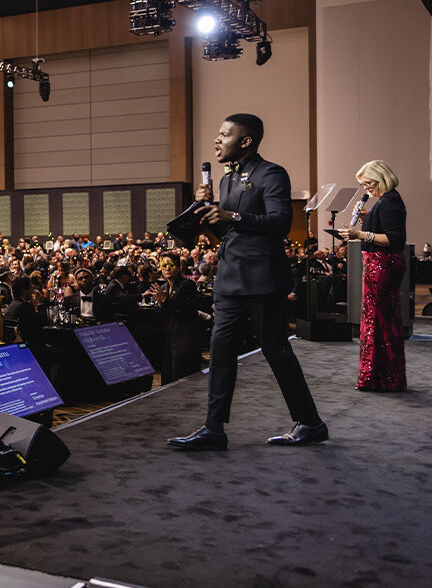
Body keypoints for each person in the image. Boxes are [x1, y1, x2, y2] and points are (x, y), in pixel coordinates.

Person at [169, 113, 326, 451]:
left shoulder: (271, 173)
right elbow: (228, 233)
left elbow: (281, 222)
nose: (216, 139)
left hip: (261, 279)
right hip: (229, 279)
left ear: (246, 141)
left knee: (276, 350)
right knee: (220, 352)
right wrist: (205, 209)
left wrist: (232, 215)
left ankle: (310, 422)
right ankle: (214, 429)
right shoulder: (226, 181)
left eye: (224, 134)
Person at [338, 159, 407, 391]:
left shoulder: (389, 202)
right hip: (382, 264)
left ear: (382, 178)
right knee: (382, 321)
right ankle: (385, 377)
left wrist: (360, 234)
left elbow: (393, 239)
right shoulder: (387, 201)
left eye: (369, 183)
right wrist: (368, 217)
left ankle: (379, 378)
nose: (366, 188)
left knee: (377, 322)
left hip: (382, 265)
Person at [149, 252, 204, 384]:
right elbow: (160, 316)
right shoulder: (163, 287)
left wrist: (165, 301)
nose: (167, 268)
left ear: (179, 267)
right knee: (168, 379)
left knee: (183, 380)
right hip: (168, 339)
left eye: (171, 265)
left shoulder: (187, 285)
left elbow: (186, 311)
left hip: (184, 339)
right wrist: (160, 304)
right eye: (164, 265)